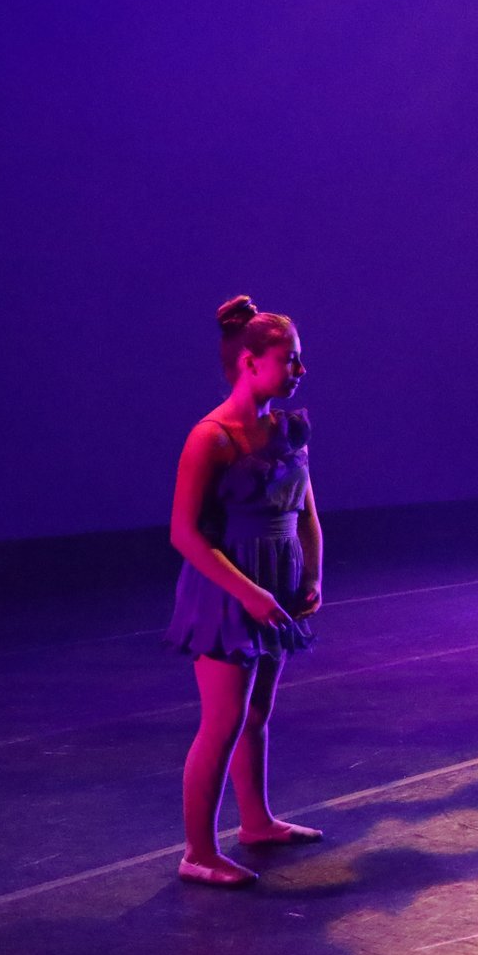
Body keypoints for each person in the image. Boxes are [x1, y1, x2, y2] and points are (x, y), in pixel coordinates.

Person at [167, 296, 324, 888]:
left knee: (257, 713)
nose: (299, 372)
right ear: (251, 362)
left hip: (276, 580)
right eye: (290, 360)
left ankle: (255, 822)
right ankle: (197, 852)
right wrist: (250, 593)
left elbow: (307, 512)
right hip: (228, 588)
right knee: (224, 718)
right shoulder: (211, 437)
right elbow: (183, 533)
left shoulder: (287, 428)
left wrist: (311, 573)